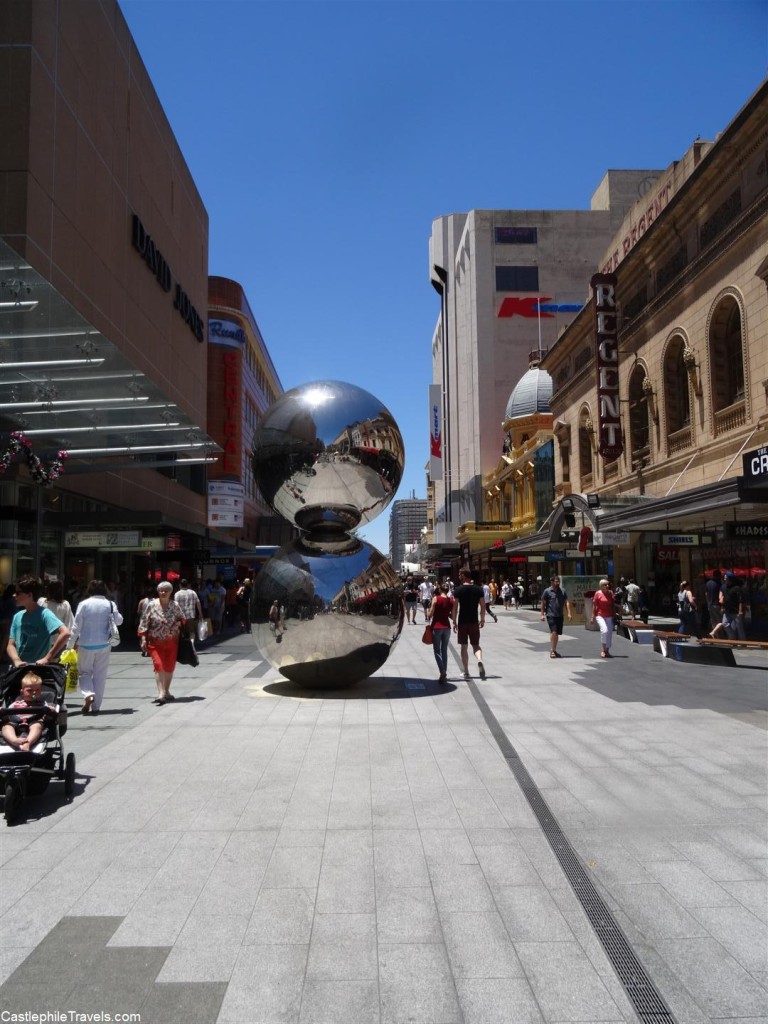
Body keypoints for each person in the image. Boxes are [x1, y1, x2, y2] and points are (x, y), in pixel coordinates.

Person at [69, 579, 124, 715]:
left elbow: (76, 626)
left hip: (85, 644)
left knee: (84, 672)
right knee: (100, 675)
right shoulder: (110, 604)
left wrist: (70, 645)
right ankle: (96, 706)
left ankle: (88, 693)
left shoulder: (84, 604)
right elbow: (119, 621)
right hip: (104, 644)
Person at [7, 575, 71, 668]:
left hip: (39, 669)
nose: (14, 595)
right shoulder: (17, 616)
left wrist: (47, 658)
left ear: (30, 595)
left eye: (18, 593)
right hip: (20, 669)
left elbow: (65, 633)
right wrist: (16, 660)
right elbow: (10, 644)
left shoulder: (44, 614)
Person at [137, 581, 185, 705]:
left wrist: (177, 623)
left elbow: (182, 618)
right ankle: (161, 693)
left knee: (169, 667)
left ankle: (166, 691)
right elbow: (144, 622)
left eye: (166, 590)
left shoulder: (175, 605)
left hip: (171, 640)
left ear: (170, 592)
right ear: (158, 592)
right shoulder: (151, 605)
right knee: (158, 665)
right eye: (161, 590)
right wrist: (143, 639)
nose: (163, 592)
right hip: (155, 641)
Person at [1, 671, 54, 751]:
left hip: (33, 722)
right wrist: (2, 711)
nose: (34, 693)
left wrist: (50, 711)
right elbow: (7, 714)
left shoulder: (43, 704)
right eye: (30, 690)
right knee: (6, 727)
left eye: (37, 690)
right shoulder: (15, 703)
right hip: (16, 723)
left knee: (37, 725)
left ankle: (28, 742)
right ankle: (14, 740)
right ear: (22, 692)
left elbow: (47, 716)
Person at [451, 569, 487, 680]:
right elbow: (483, 605)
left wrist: (454, 621)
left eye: (460, 574)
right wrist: (482, 619)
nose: (459, 576)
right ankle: (479, 660)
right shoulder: (478, 589)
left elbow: (455, 607)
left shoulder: (458, 590)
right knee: (476, 645)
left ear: (463, 576)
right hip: (474, 621)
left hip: (463, 621)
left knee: (463, 646)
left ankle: (466, 671)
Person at [540, 575, 572, 658]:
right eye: (556, 581)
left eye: (558, 581)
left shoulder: (562, 591)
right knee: (553, 632)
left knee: (557, 633)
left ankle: (554, 649)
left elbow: (567, 602)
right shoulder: (547, 591)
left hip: (560, 615)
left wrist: (569, 613)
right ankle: (553, 650)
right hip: (550, 615)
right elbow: (543, 603)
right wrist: (542, 614)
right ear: (552, 582)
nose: (558, 583)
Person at [428, 581, 454, 684]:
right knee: (444, 650)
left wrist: (429, 610)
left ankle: (442, 671)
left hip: (436, 627)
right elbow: (452, 616)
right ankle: (443, 674)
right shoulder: (451, 601)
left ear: (440, 589)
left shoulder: (435, 598)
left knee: (437, 651)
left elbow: (430, 614)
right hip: (447, 627)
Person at [709, 572, 746, 640]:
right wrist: (722, 607)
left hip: (736, 611)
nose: (724, 579)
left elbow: (740, 600)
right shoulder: (723, 587)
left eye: (726, 578)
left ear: (730, 579)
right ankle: (732, 638)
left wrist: (740, 611)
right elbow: (723, 598)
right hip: (727, 610)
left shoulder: (736, 588)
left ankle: (743, 641)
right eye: (724, 578)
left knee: (739, 627)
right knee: (724, 623)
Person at [590, 579, 616, 659]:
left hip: (609, 615)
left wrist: (616, 613)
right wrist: (592, 617)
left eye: (608, 584)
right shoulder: (598, 593)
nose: (607, 586)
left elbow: (613, 604)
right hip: (600, 615)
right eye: (605, 585)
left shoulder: (611, 593)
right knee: (604, 630)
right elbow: (594, 606)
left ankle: (607, 650)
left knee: (609, 633)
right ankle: (603, 650)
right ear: (601, 586)